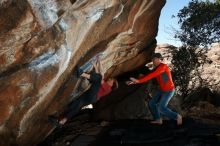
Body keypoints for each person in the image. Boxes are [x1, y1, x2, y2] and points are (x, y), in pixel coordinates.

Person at [49, 61, 118, 126]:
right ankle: (62, 121)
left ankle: (81, 73)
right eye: (110, 79)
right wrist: (96, 63)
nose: (109, 79)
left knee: (98, 78)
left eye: (111, 80)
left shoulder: (109, 89)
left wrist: (96, 65)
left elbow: (100, 77)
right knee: (76, 105)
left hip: (93, 96)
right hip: (90, 97)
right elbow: (98, 76)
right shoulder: (105, 85)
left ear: (112, 84)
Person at [127, 53, 182, 125]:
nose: (153, 61)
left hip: (169, 91)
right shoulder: (157, 69)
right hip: (162, 90)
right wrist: (135, 82)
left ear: (159, 59)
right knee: (152, 103)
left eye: (154, 59)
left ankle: (177, 117)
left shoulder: (163, 67)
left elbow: (153, 74)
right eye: (152, 59)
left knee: (161, 108)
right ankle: (158, 119)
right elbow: (148, 76)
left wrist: (138, 81)